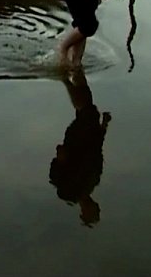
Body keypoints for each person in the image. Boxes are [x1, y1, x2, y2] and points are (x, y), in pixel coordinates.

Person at [48, 69, 111, 227]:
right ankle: (75, 72)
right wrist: (104, 126)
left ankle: (66, 77)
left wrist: (60, 160)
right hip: (89, 136)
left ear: (84, 213)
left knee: (86, 108)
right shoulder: (92, 183)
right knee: (87, 107)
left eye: (95, 212)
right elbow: (97, 151)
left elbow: (56, 175)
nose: (97, 208)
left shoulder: (69, 192)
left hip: (77, 140)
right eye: (97, 210)